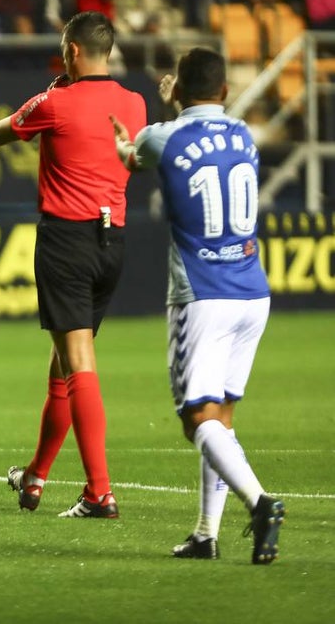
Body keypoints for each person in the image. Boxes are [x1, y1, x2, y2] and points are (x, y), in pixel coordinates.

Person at [0, 11, 146, 518]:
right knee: (64, 363)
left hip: (67, 240)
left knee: (79, 363)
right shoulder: (134, 103)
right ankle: (36, 477)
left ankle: (99, 492)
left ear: (70, 51)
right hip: (114, 242)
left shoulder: (54, 102)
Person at [111, 48, 285, 563]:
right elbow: (202, 144)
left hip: (202, 294)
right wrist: (182, 107)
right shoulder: (246, 136)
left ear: (179, 90)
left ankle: (260, 503)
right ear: (226, 92)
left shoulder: (161, 136)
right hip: (253, 291)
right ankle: (207, 534)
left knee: (196, 418)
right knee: (221, 415)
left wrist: (130, 136)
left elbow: (135, 157)